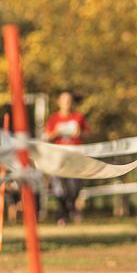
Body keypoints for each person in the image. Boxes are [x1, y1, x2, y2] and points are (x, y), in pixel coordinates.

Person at [44, 90, 90, 224]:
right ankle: (63, 214)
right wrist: (56, 133)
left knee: (75, 187)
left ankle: (70, 208)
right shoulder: (53, 119)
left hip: (76, 157)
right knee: (59, 186)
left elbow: (87, 134)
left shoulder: (79, 117)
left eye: (69, 101)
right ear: (59, 102)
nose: (67, 103)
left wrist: (80, 133)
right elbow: (46, 137)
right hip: (59, 158)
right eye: (64, 101)